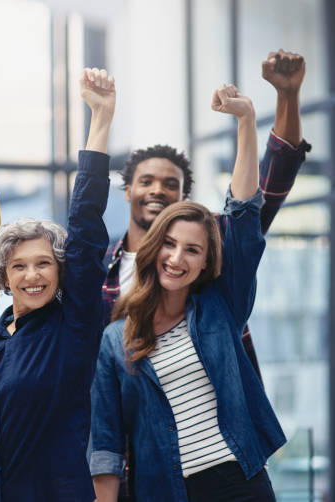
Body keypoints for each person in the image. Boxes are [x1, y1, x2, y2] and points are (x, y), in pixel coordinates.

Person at [91, 84, 283, 501]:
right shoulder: (115, 339)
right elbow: (105, 439)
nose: (177, 258)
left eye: (192, 250)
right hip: (163, 489)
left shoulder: (220, 307)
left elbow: (245, 217)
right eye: (169, 244)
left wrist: (246, 121)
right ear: (153, 248)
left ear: (205, 263)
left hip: (240, 484)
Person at [0, 68, 114, 502]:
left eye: (43, 264)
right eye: (19, 266)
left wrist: (101, 119)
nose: (32, 275)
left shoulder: (72, 327)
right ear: (4, 275)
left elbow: (87, 230)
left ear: (60, 272)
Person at [102, 49, 310, 381]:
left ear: (182, 197)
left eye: (170, 184)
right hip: (136, 418)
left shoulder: (212, 238)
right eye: (146, 181)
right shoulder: (100, 266)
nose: (157, 190)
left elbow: (267, 188)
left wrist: (287, 95)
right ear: (128, 191)